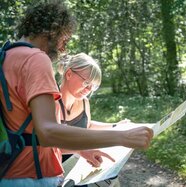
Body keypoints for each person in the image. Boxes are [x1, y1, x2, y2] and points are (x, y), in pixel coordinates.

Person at [0, 1, 153, 187]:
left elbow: (28, 134)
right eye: (64, 40)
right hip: (34, 176)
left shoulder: (6, 56)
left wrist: (81, 150)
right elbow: (48, 131)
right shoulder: (36, 58)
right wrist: (123, 137)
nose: (63, 49)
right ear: (53, 30)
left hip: (8, 172)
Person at [57, 53, 129, 187]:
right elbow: (44, 145)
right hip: (53, 170)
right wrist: (80, 151)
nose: (89, 89)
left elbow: (87, 125)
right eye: (86, 83)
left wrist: (114, 125)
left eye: (94, 86)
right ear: (69, 74)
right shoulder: (49, 102)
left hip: (79, 165)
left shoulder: (84, 103)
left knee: (111, 179)